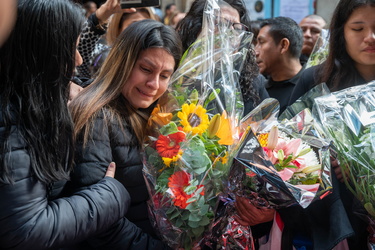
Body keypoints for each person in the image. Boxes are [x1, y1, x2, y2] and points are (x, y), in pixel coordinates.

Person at [0, 0, 131, 248]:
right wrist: (111, 194)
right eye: (70, 48)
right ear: (42, 53)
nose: (79, 60)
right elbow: (27, 230)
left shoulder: (31, 103)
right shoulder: (12, 121)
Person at [67, 19, 183, 245]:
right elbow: (99, 221)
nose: (154, 84)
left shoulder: (156, 115)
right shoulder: (96, 116)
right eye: (146, 69)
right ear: (123, 62)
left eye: (165, 76)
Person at [286, 0, 375, 249]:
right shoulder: (313, 81)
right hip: (330, 227)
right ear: (341, 33)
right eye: (358, 29)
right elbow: (285, 153)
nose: (371, 37)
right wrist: (322, 163)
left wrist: (363, 168)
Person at [176, 0, 269, 116]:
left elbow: (267, 126)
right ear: (196, 29)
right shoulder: (176, 75)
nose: (229, 33)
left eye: (237, 28)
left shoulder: (252, 81)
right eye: (220, 24)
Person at [77, 1, 157, 79]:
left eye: (147, 25)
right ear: (119, 29)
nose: (143, 31)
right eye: (134, 25)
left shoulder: (159, 60)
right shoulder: (104, 57)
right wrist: (99, 17)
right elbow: (82, 50)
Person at [254, 16, 304, 115]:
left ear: (283, 45)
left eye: (261, 42)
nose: (255, 52)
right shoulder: (258, 89)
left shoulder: (312, 86)